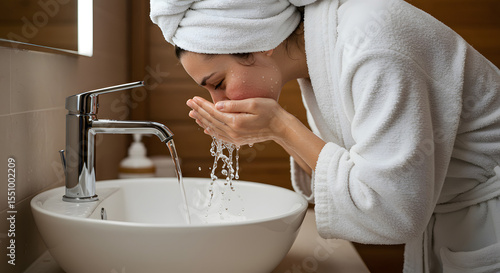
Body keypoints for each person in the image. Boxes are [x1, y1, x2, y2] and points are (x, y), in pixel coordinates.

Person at [150, 0, 500, 272]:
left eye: (218, 84)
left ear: (258, 43)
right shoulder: (323, 52)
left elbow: (393, 208)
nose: (219, 103)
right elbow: (355, 170)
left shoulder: (372, 42)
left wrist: (281, 127)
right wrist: (276, 130)